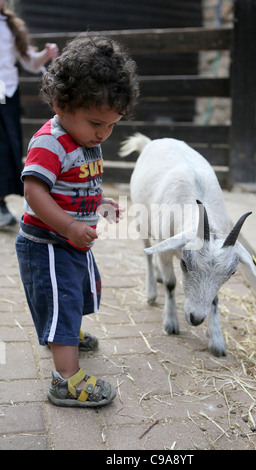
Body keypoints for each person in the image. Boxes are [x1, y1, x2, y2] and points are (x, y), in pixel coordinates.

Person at [15, 31, 139, 408]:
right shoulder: (51, 142)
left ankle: (64, 332)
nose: (103, 133)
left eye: (111, 125)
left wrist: (101, 204)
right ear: (60, 102)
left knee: (78, 292)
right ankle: (64, 379)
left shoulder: (84, 138)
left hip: (70, 239)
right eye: (96, 123)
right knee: (61, 298)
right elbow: (34, 192)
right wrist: (68, 225)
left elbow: (81, 183)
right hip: (48, 244)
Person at [0, 0, 58, 226]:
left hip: (7, 92)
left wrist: (45, 54)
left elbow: (30, 63)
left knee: (9, 145)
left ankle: (1, 203)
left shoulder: (12, 26)